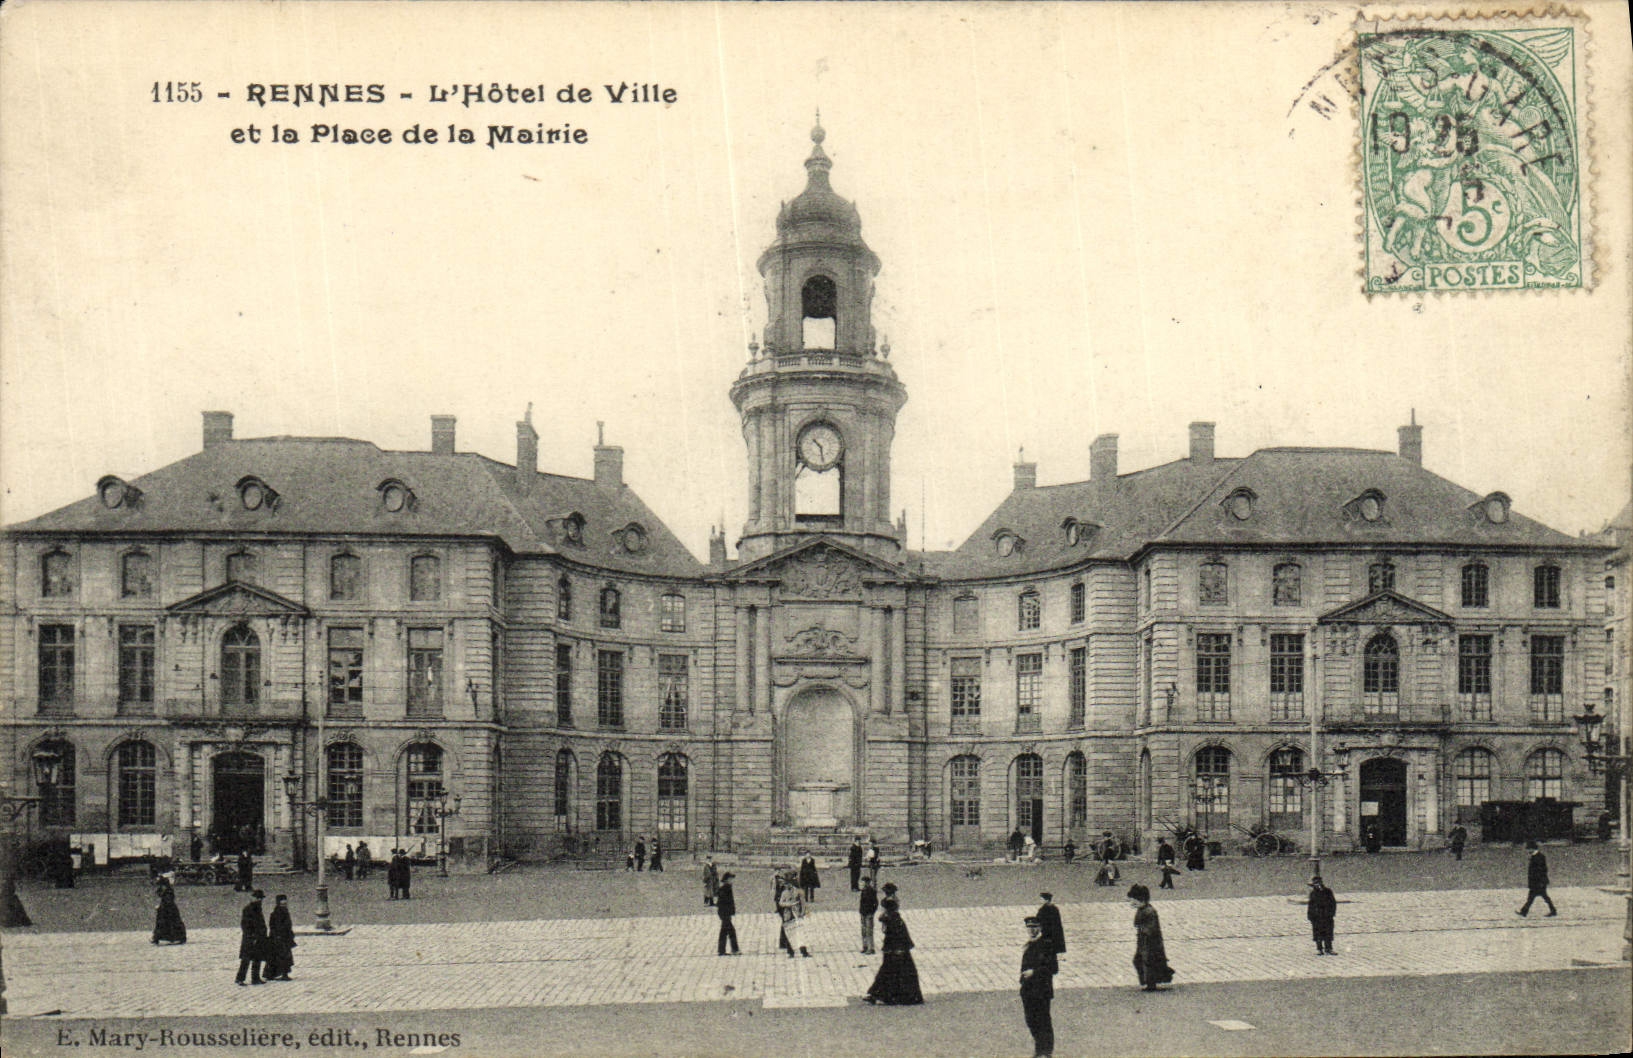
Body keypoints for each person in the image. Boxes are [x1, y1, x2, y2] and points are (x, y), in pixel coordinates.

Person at [864, 896, 923, 1005]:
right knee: (890, 974)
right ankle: (879, 995)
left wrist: (895, 950)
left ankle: (884, 995)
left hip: (896, 952)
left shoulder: (893, 920)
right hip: (895, 951)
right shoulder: (894, 918)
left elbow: (897, 936)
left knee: (891, 974)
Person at [1019, 914, 1059, 1058]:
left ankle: (1046, 1052)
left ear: (1040, 928)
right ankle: (1039, 1049)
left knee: (1043, 1021)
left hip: (1041, 989)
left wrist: (1034, 972)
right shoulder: (1029, 944)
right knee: (1031, 1021)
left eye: (1035, 927)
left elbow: (1053, 968)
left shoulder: (1047, 944)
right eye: (1029, 928)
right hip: (1028, 991)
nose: (1032, 930)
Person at [1127, 884, 1174, 992]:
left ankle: (1150, 984)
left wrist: (1143, 930)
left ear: (1141, 899)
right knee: (1140, 960)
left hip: (1151, 942)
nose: (1131, 903)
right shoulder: (1142, 909)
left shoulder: (1149, 911)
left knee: (1148, 961)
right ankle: (1147, 982)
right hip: (1143, 941)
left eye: (1133, 900)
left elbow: (1151, 928)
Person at [235, 889, 268, 986]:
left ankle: (255, 978)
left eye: (261, 898)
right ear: (253, 898)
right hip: (250, 939)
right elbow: (245, 925)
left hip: (259, 938)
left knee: (257, 958)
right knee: (246, 959)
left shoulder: (258, 908)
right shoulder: (248, 909)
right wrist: (252, 936)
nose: (260, 900)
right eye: (258, 898)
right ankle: (240, 978)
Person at [1517, 841, 1557, 917]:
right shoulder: (1536, 856)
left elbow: (1542, 870)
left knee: (1535, 897)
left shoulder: (1539, 857)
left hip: (1538, 882)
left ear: (1532, 848)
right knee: (1537, 897)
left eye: (1528, 849)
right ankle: (1524, 911)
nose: (1527, 851)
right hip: (1537, 882)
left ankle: (1524, 912)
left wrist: (1540, 881)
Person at [777, 870, 810, 958]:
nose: (788, 886)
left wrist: (803, 913)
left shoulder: (799, 892)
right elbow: (781, 903)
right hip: (788, 915)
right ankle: (790, 952)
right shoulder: (784, 893)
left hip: (797, 914)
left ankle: (804, 951)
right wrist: (789, 904)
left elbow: (803, 903)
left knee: (800, 933)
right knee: (789, 933)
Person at [265, 894, 296, 980]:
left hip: (284, 937)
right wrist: (278, 936)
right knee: (281, 956)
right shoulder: (276, 913)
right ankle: (281, 974)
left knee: (282, 956)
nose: (284, 905)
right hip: (279, 938)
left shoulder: (285, 912)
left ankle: (279, 974)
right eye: (282, 904)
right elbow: (274, 926)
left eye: (285, 904)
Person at [1307, 874, 1337, 955]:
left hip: (1327, 916)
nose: (1317, 885)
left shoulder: (1328, 891)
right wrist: (1310, 916)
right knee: (1318, 933)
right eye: (1315, 883)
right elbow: (1311, 905)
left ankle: (1329, 948)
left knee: (1328, 932)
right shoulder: (1313, 893)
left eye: (1318, 883)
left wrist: (1332, 913)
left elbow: (1333, 903)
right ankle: (1319, 949)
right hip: (1317, 917)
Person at [152, 875, 187, 944]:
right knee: (163, 923)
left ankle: (177, 937)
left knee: (170, 923)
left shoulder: (168, 890)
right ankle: (158, 937)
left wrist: (162, 906)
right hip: (166, 908)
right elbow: (161, 895)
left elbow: (168, 900)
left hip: (168, 909)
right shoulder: (166, 890)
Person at [715, 871, 740, 955]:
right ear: (727, 879)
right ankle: (734, 949)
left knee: (724, 931)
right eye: (731, 879)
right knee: (731, 931)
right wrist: (728, 912)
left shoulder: (727, 887)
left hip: (724, 913)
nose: (732, 880)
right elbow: (724, 901)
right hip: (724, 913)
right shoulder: (725, 888)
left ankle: (721, 950)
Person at [1036, 892, 1065, 958]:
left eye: (1041, 899)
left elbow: (1038, 920)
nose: (1040, 901)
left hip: (1046, 933)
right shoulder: (1055, 909)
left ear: (1046, 900)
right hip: (1055, 933)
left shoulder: (1043, 909)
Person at [859, 875, 879, 954]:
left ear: (867, 883)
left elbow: (875, 903)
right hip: (863, 913)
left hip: (869, 914)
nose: (862, 884)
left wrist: (872, 913)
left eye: (863, 882)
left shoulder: (871, 891)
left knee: (869, 931)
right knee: (864, 931)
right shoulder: (863, 891)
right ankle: (865, 946)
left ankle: (871, 948)